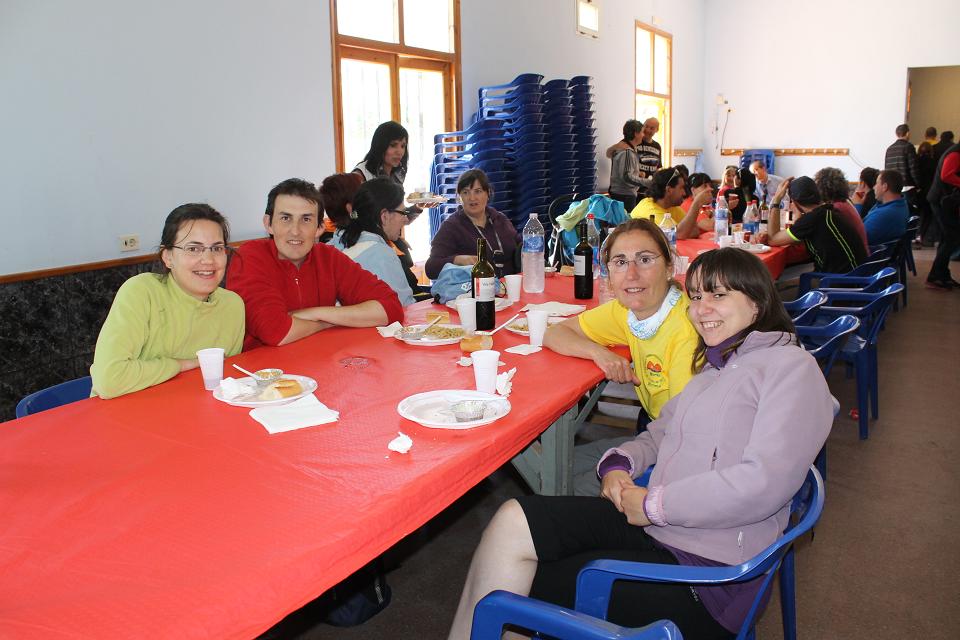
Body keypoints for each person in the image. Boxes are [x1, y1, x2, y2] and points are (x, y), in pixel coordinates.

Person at [447, 247, 833, 640]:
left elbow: (763, 483)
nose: (701, 309)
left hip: (708, 578)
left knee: (517, 581)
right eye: (696, 296)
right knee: (514, 519)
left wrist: (654, 505)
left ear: (757, 302)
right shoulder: (716, 368)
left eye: (718, 295)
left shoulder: (791, 368)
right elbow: (660, 432)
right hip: (665, 532)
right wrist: (619, 465)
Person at [542, 218, 700, 494]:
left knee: (561, 486)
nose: (632, 274)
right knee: (555, 469)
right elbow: (554, 333)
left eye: (645, 260)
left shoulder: (686, 333)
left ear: (669, 268)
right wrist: (599, 353)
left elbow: (685, 436)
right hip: (653, 429)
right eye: (620, 262)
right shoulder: (628, 311)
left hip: (682, 453)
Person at [227, 178, 403, 350]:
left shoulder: (328, 257)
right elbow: (277, 332)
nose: (295, 231)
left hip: (321, 360)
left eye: (306, 219)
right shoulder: (249, 257)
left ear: (319, 228)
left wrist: (316, 313)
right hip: (261, 367)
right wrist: (330, 322)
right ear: (268, 224)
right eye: (286, 218)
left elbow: (391, 308)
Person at [90, 204, 244, 399]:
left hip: (190, 408)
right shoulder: (142, 292)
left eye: (216, 248)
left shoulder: (232, 306)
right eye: (193, 248)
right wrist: (182, 365)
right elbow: (109, 380)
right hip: (124, 410)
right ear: (168, 257)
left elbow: (225, 385)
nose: (208, 259)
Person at [329, 177, 416, 306]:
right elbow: (403, 307)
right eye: (403, 212)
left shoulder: (334, 243)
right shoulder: (381, 254)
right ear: (384, 216)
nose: (405, 219)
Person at [424, 169, 520, 280]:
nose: (472, 198)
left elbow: (520, 247)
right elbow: (431, 268)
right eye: (465, 192)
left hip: (510, 286)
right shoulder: (451, 227)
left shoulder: (500, 219)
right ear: (459, 197)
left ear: (488, 193)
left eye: (478, 191)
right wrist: (456, 260)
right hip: (473, 289)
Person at [760, 176, 867, 274]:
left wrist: (776, 200)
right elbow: (796, 233)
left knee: (779, 281)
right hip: (859, 275)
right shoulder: (827, 211)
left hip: (841, 281)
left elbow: (773, 239)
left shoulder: (813, 219)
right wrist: (798, 209)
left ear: (795, 202)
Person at [630, 168, 712, 239]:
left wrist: (683, 232)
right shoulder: (650, 210)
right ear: (669, 190)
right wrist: (696, 203)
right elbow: (679, 234)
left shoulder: (672, 207)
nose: (684, 193)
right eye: (681, 188)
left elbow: (695, 231)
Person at [924, 139, 960, 290]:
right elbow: (946, 175)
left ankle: (942, 275)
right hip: (940, 200)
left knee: (948, 238)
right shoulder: (956, 153)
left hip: (942, 200)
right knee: (951, 238)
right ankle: (935, 276)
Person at [814, 167, 869, 253]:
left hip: (855, 258)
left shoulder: (836, 209)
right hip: (861, 254)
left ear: (822, 188)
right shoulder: (845, 203)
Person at [606, 117, 662, 197]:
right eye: (646, 126)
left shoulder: (657, 146)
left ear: (657, 130)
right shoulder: (629, 144)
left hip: (648, 190)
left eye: (652, 128)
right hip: (631, 190)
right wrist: (615, 147)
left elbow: (658, 167)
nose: (647, 130)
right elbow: (609, 154)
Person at [608, 119, 648, 211]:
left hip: (622, 195)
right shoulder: (627, 152)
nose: (643, 135)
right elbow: (627, 177)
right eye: (642, 132)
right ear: (636, 133)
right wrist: (647, 182)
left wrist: (637, 173)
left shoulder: (624, 149)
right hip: (625, 196)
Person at [862, 169, 910, 245]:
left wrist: (857, 206)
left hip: (867, 250)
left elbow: (858, 238)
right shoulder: (901, 205)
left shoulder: (884, 214)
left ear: (885, 187)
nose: (874, 187)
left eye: (876, 183)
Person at [884, 124, 918, 191]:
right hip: (907, 187)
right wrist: (918, 184)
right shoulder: (909, 147)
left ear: (897, 134)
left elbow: (886, 169)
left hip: (893, 187)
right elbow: (913, 168)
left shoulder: (889, 149)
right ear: (907, 133)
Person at [916, 142, 937, 245]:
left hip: (919, 191)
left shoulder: (916, 161)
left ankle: (916, 236)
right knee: (928, 215)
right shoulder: (933, 162)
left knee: (918, 214)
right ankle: (924, 237)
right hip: (929, 190)